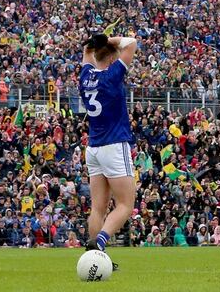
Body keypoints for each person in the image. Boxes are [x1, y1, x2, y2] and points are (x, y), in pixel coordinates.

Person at [80, 34, 138, 271]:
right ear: (112, 56)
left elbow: (86, 50)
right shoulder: (112, 76)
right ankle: (100, 242)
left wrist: (98, 42)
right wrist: (111, 40)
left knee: (98, 208)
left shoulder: (85, 77)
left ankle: (94, 259)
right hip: (114, 145)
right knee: (125, 204)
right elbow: (132, 43)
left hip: (93, 147)